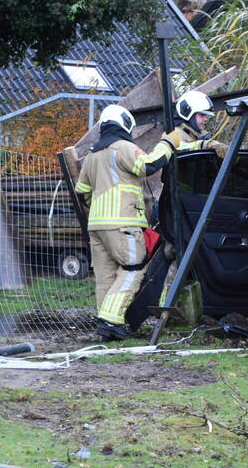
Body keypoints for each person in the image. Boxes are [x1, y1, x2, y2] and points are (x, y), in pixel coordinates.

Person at [75, 104, 178, 341]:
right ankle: (111, 319)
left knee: (106, 277)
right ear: (125, 124)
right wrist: (168, 143)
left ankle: (107, 328)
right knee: (134, 268)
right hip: (123, 223)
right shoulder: (124, 148)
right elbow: (148, 165)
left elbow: (82, 192)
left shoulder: (92, 154)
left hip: (97, 227)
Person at [154, 90, 227, 308]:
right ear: (188, 114)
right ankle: (166, 307)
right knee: (178, 253)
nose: (205, 120)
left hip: (188, 205)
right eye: (201, 115)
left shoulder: (195, 137)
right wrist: (206, 146)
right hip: (175, 207)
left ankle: (179, 307)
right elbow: (178, 152)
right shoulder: (175, 135)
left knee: (186, 255)